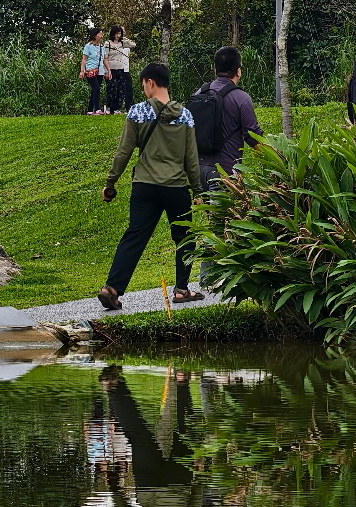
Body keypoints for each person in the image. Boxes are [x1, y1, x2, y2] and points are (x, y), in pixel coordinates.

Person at [97, 62, 203, 311]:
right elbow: (191, 160)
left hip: (144, 185)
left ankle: (112, 289)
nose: (143, 88)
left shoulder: (137, 112)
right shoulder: (185, 116)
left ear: (150, 82)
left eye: (143, 84)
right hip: (176, 187)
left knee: (134, 235)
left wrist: (110, 182)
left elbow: (123, 152)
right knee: (185, 237)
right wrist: (197, 191)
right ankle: (181, 290)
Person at [193, 45, 263, 190]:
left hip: (199, 170)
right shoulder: (241, 98)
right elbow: (252, 136)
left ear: (215, 69)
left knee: (208, 206)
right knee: (224, 207)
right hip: (224, 172)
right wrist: (277, 160)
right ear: (239, 71)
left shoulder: (199, 93)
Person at [104, 26, 135, 115]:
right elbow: (105, 58)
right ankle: (109, 108)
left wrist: (123, 38)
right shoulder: (108, 43)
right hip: (111, 68)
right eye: (117, 33)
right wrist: (106, 71)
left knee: (120, 89)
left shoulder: (122, 43)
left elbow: (133, 44)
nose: (118, 35)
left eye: (120, 33)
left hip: (121, 68)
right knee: (112, 88)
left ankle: (117, 108)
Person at [80, 26, 111, 115]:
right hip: (90, 70)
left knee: (94, 90)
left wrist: (108, 70)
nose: (101, 36)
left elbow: (105, 59)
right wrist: (82, 71)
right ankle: (97, 109)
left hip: (100, 71)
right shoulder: (88, 46)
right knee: (96, 88)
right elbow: (84, 59)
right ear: (95, 35)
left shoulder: (101, 47)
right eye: (100, 34)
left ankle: (90, 110)